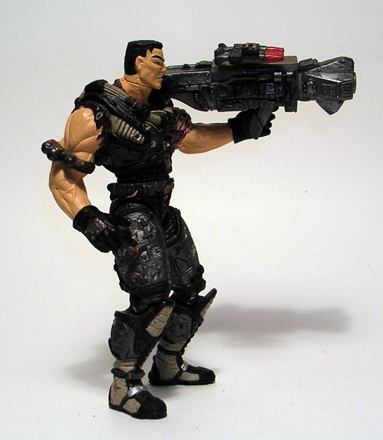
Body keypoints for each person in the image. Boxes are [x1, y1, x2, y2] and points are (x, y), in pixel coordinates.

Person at [43, 40, 274, 419]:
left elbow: (191, 140)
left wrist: (241, 128)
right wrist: (88, 218)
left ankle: (168, 365)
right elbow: (63, 177)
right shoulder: (95, 113)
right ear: (138, 63)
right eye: (157, 60)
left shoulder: (161, 110)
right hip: (132, 211)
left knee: (189, 288)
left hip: (163, 208)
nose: (164, 68)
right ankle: (123, 384)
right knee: (150, 298)